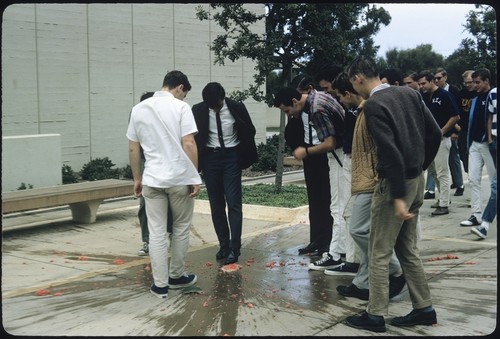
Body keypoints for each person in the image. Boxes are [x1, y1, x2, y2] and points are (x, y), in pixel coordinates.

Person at [343, 56, 441, 333]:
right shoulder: (409, 93)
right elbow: (434, 133)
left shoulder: (373, 105)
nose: (354, 87)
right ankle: (424, 308)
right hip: (416, 180)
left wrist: (397, 196)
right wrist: (420, 166)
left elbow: (389, 151)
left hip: (394, 185)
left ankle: (375, 315)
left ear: (358, 78)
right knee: (407, 249)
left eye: (352, 82)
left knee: (378, 252)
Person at [126, 70, 201, 299]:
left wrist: (137, 178)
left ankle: (160, 286)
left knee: (157, 232)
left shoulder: (138, 109)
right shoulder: (181, 108)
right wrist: (194, 176)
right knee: (180, 227)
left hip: (152, 179)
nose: (183, 98)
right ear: (179, 87)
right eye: (183, 93)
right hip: (178, 178)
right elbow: (188, 143)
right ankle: (176, 276)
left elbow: (133, 147)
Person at [330, 72, 405, 298]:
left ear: (349, 91)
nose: (339, 101)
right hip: (363, 179)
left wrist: (378, 178)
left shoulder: (371, 109)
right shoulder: (360, 110)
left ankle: (394, 267)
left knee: (359, 230)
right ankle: (362, 283)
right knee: (364, 231)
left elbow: (383, 148)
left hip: (372, 181)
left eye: (339, 96)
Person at [273, 85, 346, 271]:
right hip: (315, 155)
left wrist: (305, 151)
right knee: (316, 200)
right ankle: (319, 241)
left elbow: (330, 143)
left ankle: (333, 249)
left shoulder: (316, 108)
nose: (289, 115)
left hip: (332, 156)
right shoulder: (312, 102)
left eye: (287, 110)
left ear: (295, 101)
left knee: (332, 203)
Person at [192, 82, 258, 265]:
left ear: (223, 98)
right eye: (210, 106)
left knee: (234, 203)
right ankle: (224, 245)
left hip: (231, 157)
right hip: (210, 160)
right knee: (216, 205)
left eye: (217, 105)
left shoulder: (236, 107)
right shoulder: (198, 110)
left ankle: (235, 248)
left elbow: (250, 130)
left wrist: (244, 153)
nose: (214, 108)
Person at [288, 74, 333, 256]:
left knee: (326, 199)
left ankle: (328, 241)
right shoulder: (299, 109)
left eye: (299, 95)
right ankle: (316, 239)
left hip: (323, 152)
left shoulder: (319, 104)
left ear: (309, 90)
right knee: (314, 199)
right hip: (309, 153)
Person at [134, 91, 173, 257]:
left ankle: (170, 233)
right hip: (147, 163)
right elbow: (133, 146)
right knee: (145, 204)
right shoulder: (137, 117)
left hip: (166, 162)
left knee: (170, 200)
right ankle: (147, 240)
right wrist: (137, 177)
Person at [418, 70, 460, 216]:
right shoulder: (422, 97)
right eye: (419, 84)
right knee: (433, 172)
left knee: (443, 172)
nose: (421, 86)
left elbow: (455, 116)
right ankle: (444, 198)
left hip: (442, 140)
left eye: (423, 83)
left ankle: (443, 205)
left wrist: (441, 132)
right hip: (427, 141)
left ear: (432, 81)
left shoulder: (444, 95)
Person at [461, 70, 496, 227]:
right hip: (474, 144)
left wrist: (490, 140)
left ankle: (490, 214)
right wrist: (469, 143)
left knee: (494, 182)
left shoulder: (493, 96)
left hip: (489, 144)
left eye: (477, 82)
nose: (474, 85)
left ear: (486, 81)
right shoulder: (475, 99)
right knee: (473, 179)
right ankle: (476, 214)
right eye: (472, 82)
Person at [434, 68, 465, 196]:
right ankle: (448, 184)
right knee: (440, 163)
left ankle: (459, 184)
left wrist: (455, 131)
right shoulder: (435, 93)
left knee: (454, 157)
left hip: (453, 128)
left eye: (439, 78)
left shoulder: (453, 91)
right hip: (441, 129)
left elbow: (457, 112)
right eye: (435, 78)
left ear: (445, 78)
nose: (437, 80)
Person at [471, 87, 497, 239]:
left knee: (495, 185)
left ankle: (485, 224)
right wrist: (489, 139)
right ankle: (484, 224)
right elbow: (489, 116)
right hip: (495, 140)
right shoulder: (493, 93)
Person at [457, 70, 477, 173]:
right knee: (464, 154)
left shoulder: (479, 93)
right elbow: (456, 111)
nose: (468, 85)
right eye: (466, 83)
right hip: (464, 129)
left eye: (470, 82)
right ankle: (469, 173)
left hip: (477, 129)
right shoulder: (461, 93)